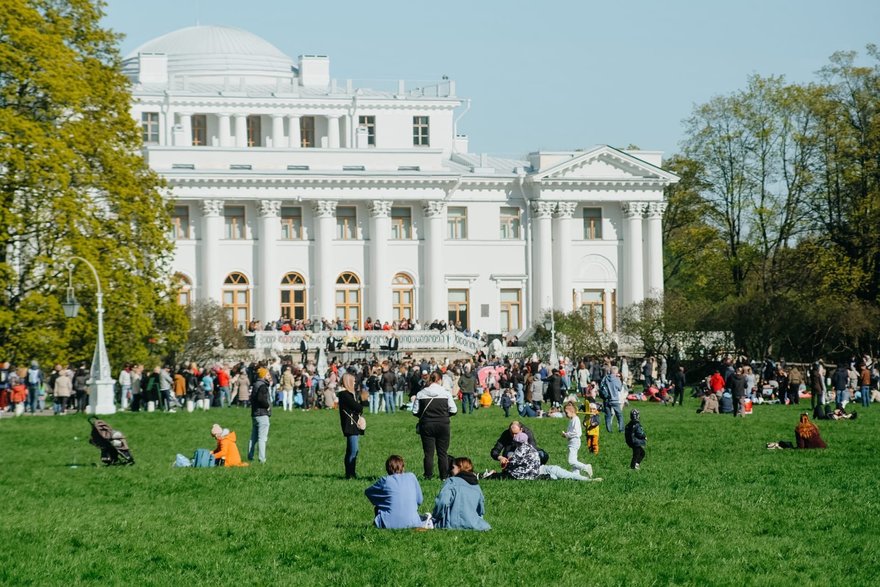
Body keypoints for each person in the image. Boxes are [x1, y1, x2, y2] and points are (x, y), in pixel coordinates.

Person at [412, 371, 458, 480]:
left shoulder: (421, 393)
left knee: (428, 453)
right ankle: (443, 476)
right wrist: (444, 416)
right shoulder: (445, 393)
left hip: (427, 425)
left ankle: (428, 476)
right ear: (440, 380)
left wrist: (424, 417)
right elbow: (454, 410)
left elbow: (415, 411)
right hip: (443, 424)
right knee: (442, 453)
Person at [364, 455, 426, 529]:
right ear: (403, 467)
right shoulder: (411, 477)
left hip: (389, 525)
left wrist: (382, 501)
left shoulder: (385, 480)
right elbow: (420, 500)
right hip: (414, 523)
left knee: (378, 507)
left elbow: (368, 492)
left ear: (387, 469)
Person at [432, 457, 490, 531]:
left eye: (453, 467)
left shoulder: (451, 482)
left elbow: (442, 502)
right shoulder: (476, 486)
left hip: (450, 524)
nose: (451, 470)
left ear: (459, 468)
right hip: (473, 524)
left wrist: (435, 517)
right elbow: (481, 509)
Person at [338, 372, 364, 479]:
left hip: (351, 425)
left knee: (351, 450)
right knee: (353, 450)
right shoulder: (345, 395)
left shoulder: (349, 394)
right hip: (350, 425)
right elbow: (358, 407)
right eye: (353, 381)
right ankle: (350, 473)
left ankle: (350, 473)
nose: (354, 383)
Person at [561, 401, 593, 477]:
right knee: (574, 459)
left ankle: (585, 467)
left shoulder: (576, 420)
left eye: (566, 413)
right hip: (572, 441)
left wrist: (567, 435)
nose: (566, 415)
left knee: (571, 461)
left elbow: (576, 432)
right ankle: (576, 475)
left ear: (572, 411)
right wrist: (566, 434)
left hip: (575, 441)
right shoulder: (572, 420)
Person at [248, 367, 272, 463]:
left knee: (253, 437)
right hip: (262, 414)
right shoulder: (262, 386)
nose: (269, 376)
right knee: (262, 438)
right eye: (267, 374)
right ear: (263, 375)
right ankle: (262, 459)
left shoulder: (255, 384)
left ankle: (250, 455)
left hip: (255, 414)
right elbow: (261, 399)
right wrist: (267, 406)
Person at [601, 366, 624, 432]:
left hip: (606, 399)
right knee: (619, 415)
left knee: (608, 416)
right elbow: (619, 388)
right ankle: (621, 429)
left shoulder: (605, 378)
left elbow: (601, 386)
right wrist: (619, 379)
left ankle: (609, 430)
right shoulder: (616, 379)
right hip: (614, 400)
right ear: (616, 372)